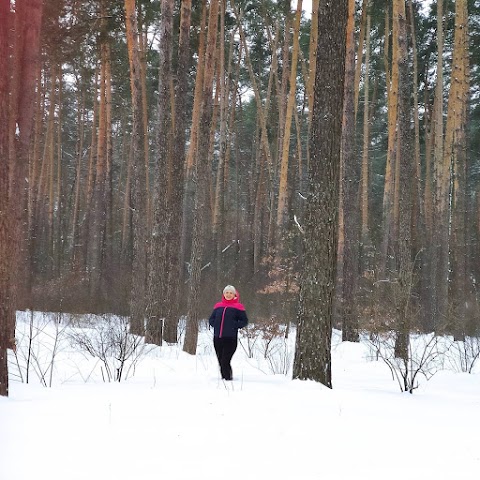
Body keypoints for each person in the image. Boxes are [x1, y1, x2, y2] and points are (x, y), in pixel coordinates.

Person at [209, 285, 249, 381]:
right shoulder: (218, 306)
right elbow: (211, 319)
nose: (228, 294)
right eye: (227, 292)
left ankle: (228, 379)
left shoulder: (238, 307)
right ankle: (224, 378)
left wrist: (233, 325)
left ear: (234, 295)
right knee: (220, 359)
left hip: (230, 338)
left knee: (225, 360)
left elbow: (244, 321)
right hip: (217, 337)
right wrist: (214, 324)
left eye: (231, 293)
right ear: (224, 294)